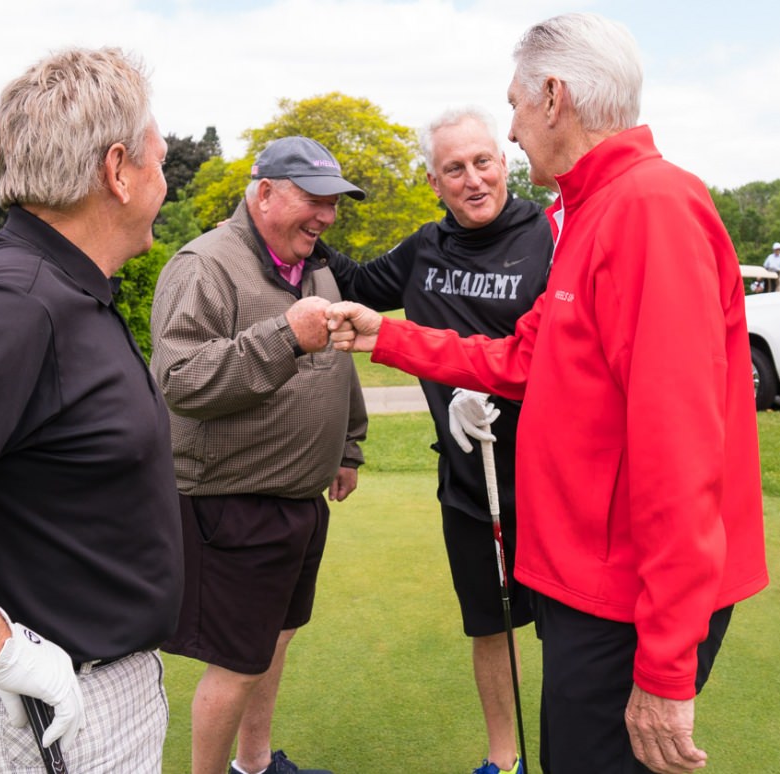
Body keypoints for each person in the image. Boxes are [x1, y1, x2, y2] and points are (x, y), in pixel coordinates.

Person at [326, 13, 769, 774]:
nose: (513, 129)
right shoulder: (594, 210)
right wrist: (383, 335)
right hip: (582, 582)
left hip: (622, 597)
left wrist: (665, 665)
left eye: (516, 106)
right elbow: (528, 358)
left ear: (555, 97)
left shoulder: (648, 209)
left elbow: (681, 448)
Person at [0, 47, 183, 772]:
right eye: (158, 158)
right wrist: (0, 650)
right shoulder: (14, 301)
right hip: (30, 720)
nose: (165, 177)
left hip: (75, 705)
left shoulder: (65, 288)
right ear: (117, 171)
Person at [326, 106, 551, 774]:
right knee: (490, 626)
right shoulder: (425, 249)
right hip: (469, 483)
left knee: (571, 628)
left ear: (503, 161)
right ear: (434, 181)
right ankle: (503, 760)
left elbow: (563, 352)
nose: (473, 179)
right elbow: (360, 284)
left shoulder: (551, 236)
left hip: (553, 480)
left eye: (483, 161)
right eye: (455, 168)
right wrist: (303, 225)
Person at [150, 136, 368, 774]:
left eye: (333, 203)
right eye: (313, 199)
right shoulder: (205, 265)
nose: (325, 216)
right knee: (239, 662)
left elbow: (337, 365)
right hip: (233, 502)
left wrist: (348, 443)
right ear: (264, 192)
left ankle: (254, 766)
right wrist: (284, 337)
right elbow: (181, 381)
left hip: (299, 499)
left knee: (273, 643)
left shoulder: (316, 266)